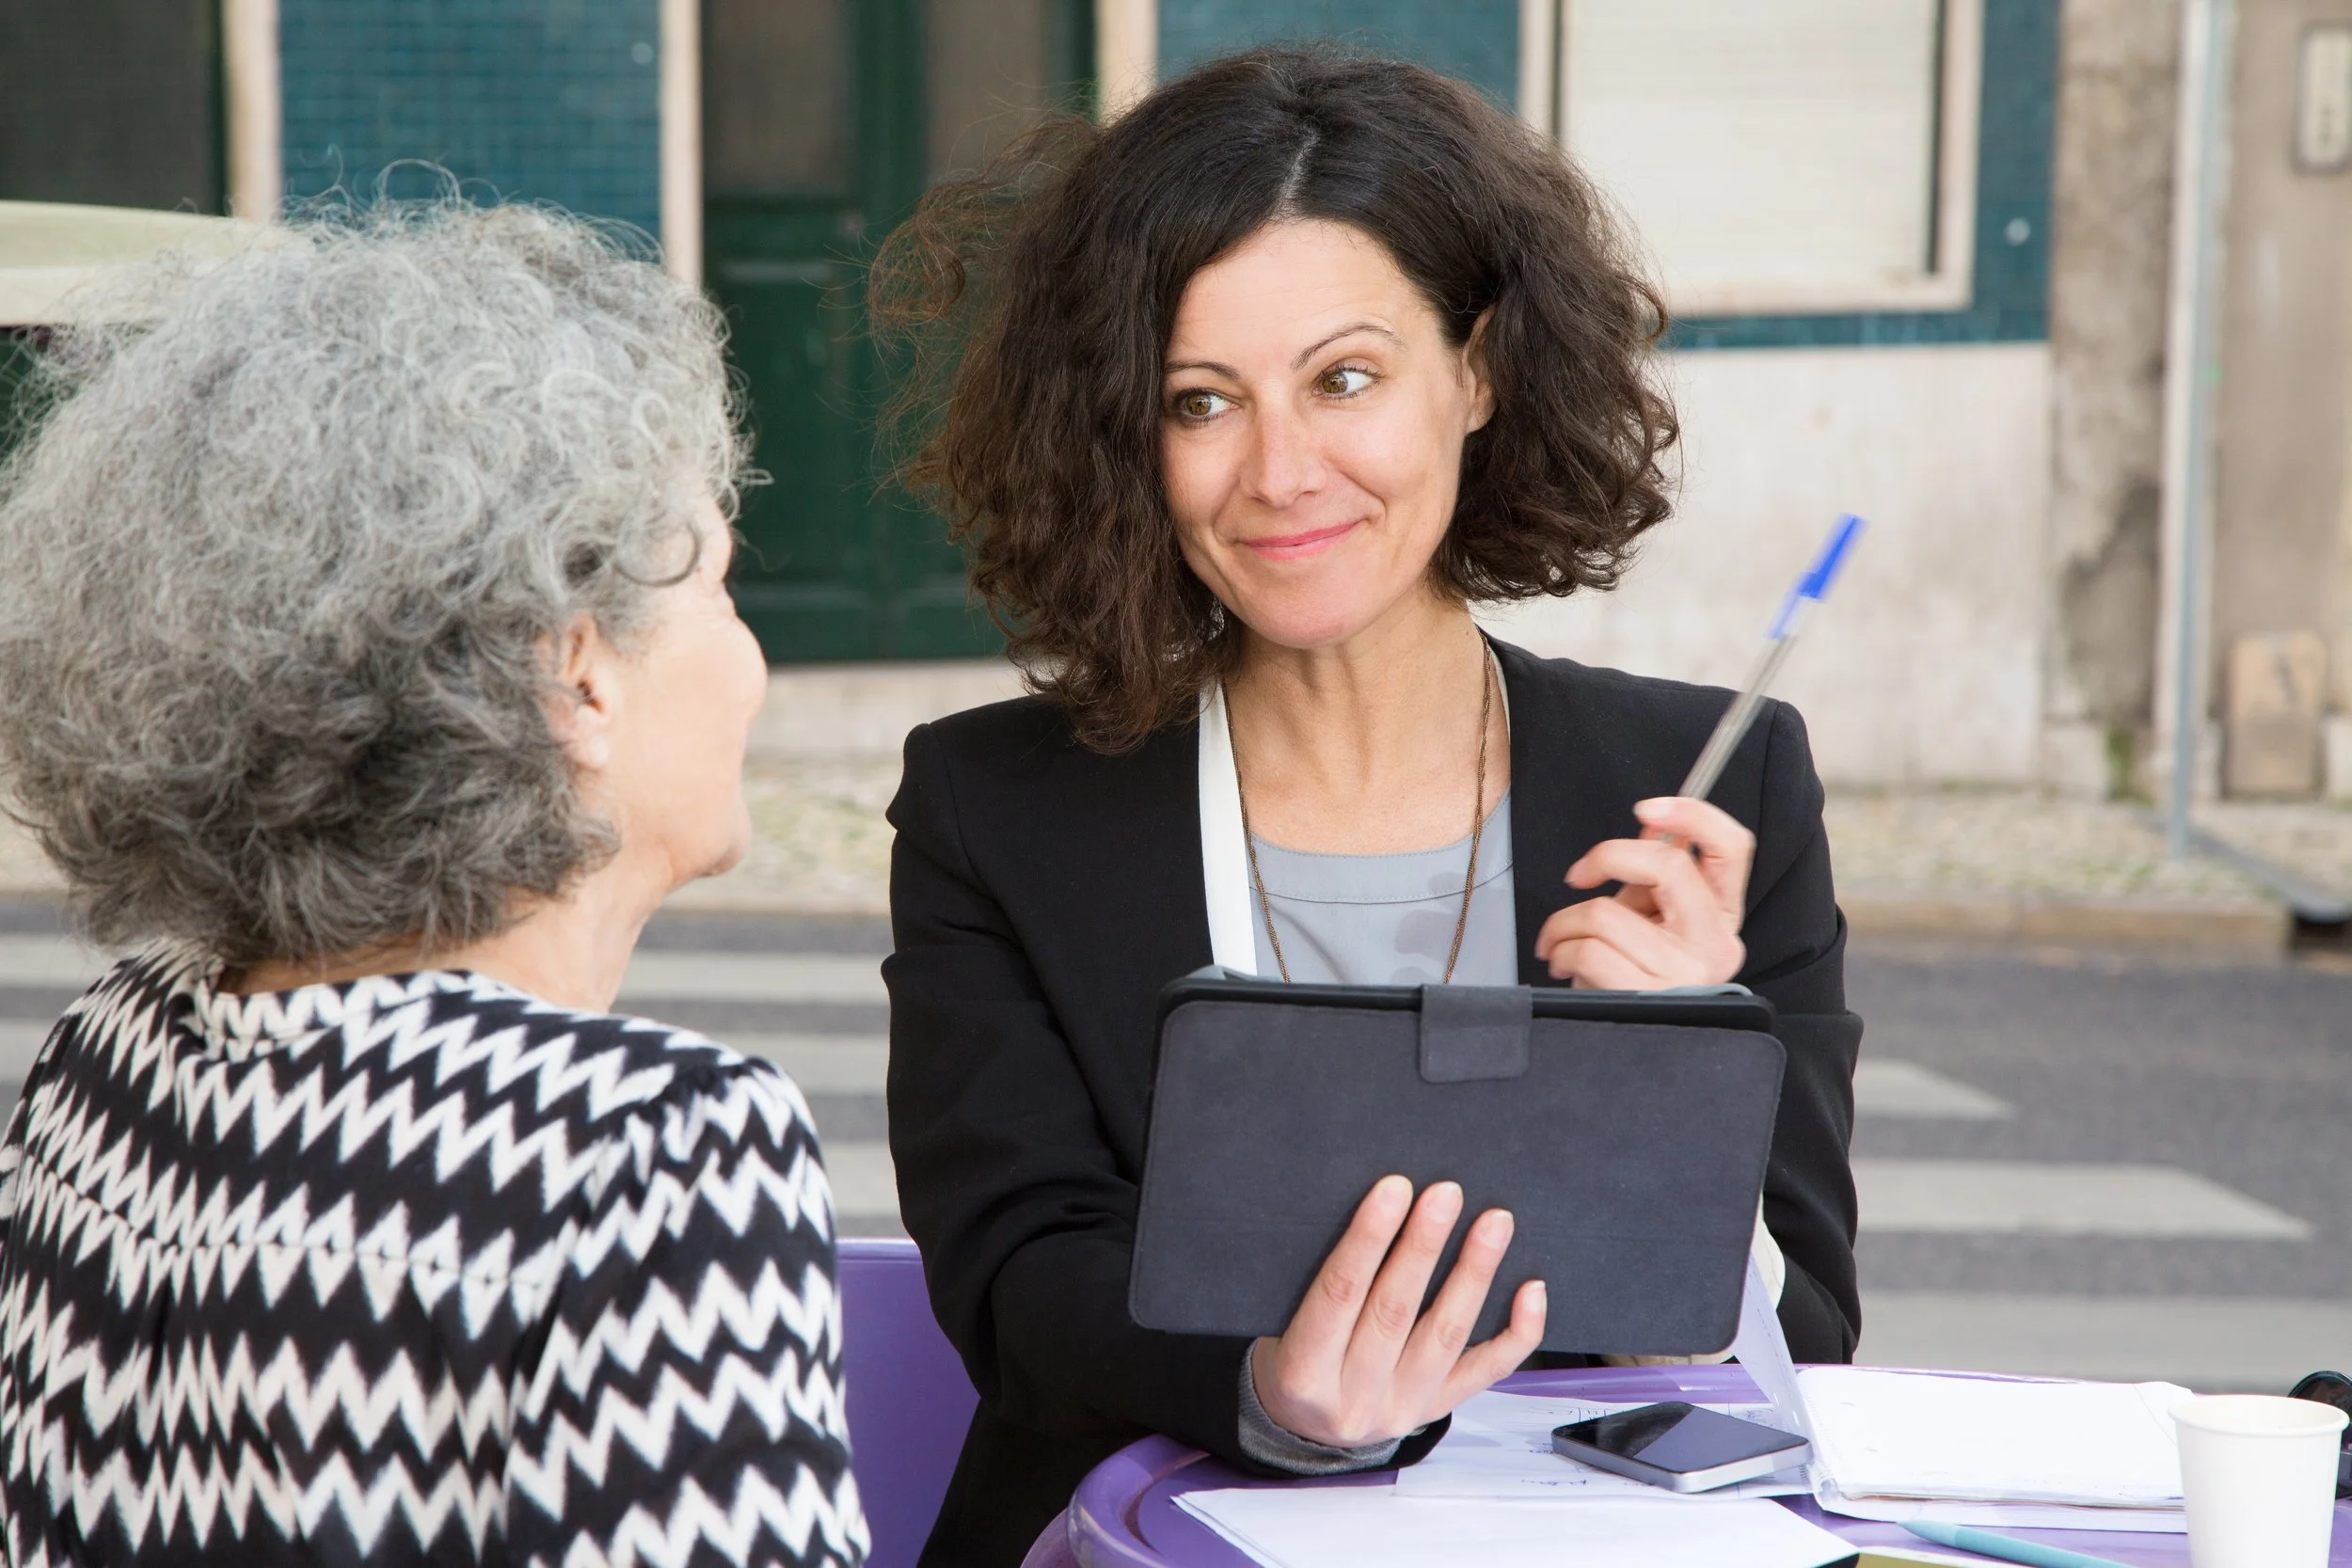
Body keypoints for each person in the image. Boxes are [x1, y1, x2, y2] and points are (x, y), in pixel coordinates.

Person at [874, 48, 1863, 1565]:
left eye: (1345, 378)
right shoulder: (996, 803)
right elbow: (1020, 1289)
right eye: (1203, 401)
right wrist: (1275, 1395)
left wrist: (1693, 1084)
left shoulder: (1707, 791)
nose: (1280, 472)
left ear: (1476, 372)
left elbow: (1810, 1331)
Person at [0, 204, 868, 1567]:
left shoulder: (112, 1052)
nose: (749, 660)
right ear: (577, 670)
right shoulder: (645, 1154)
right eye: (723, 584)